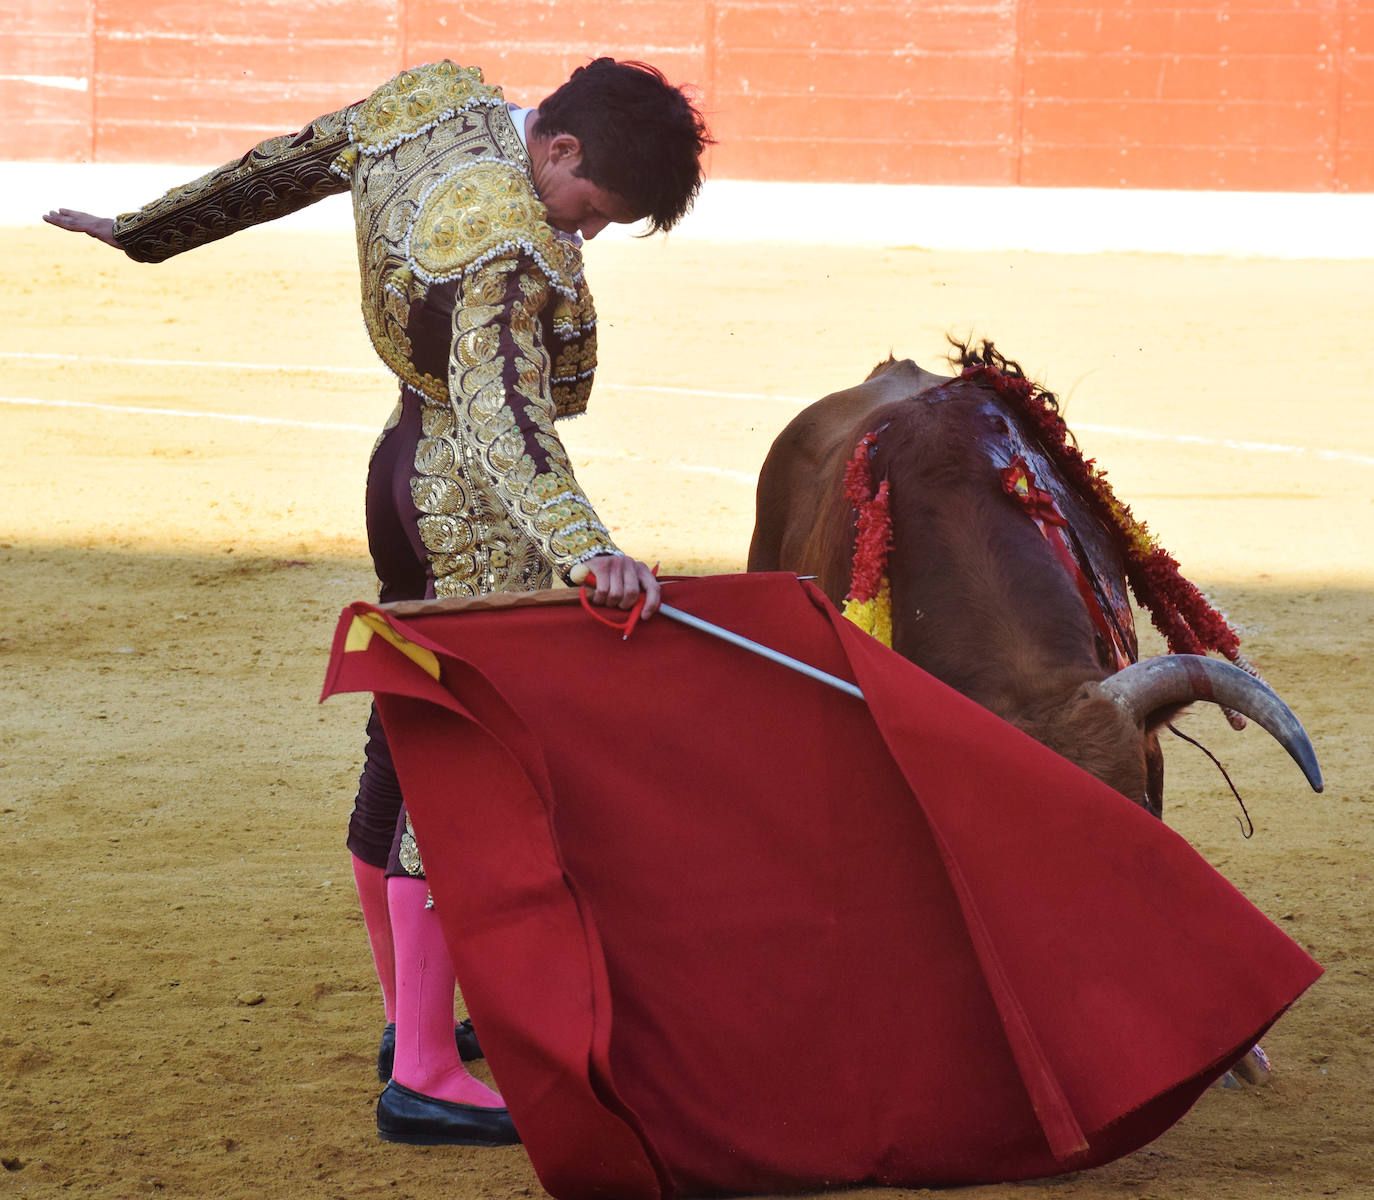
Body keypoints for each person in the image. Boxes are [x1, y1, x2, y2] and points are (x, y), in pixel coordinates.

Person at [46, 56, 712, 1147]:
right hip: (467, 508)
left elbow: (295, 162)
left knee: (399, 755)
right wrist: (590, 552)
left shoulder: (438, 101)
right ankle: (424, 1075)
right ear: (560, 150)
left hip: (399, 467)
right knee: (460, 781)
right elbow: (504, 416)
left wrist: (147, 230)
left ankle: (416, 1020)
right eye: (591, 215)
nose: (584, 239)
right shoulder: (506, 241)